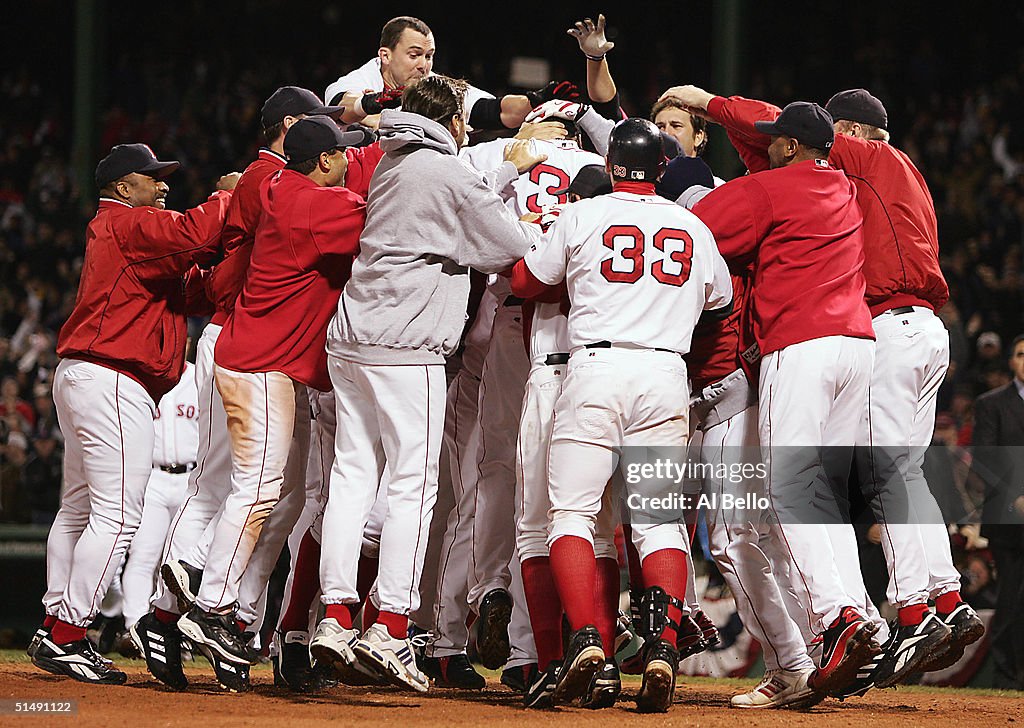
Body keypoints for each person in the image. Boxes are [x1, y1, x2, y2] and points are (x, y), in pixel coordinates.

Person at [309, 74, 545, 693]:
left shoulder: (389, 159)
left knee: (352, 477)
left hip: (352, 336)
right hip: (406, 343)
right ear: (457, 124)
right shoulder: (447, 170)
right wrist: (506, 176)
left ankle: (333, 617)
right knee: (414, 486)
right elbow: (508, 247)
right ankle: (389, 626)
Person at [658, 90, 885, 696]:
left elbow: (689, 233)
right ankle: (860, 620)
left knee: (787, 492)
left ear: (784, 145)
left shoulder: (769, 188)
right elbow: (772, 141)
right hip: (859, 348)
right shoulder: (840, 183)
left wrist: (710, 107)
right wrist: (722, 108)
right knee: (822, 496)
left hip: (802, 345)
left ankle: (836, 620)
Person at [134, 86, 356, 693]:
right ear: (291, 129)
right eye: (322, 129)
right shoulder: (273, 180)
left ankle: (203, 609)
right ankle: (194, 599)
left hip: (251, 339)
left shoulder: (272, 181)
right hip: (245, 340)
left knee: (266, 496)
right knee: (235, 488)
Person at [511, 118, 732, 712]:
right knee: (658, 524)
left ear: (611, 167)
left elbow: (527, 280)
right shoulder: (690, 222)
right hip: (665, 373)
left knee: (571, 515)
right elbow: (721, 300)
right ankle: (660, 644)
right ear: (662, 169)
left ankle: (587, 641)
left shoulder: (582, 216)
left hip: (595, 369)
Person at [30, 143, 234, 685]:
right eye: (152, 177)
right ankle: (67, 633)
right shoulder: (127, 221)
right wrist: (226, 197)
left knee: (78, 509)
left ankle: (55, 619)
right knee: (118, 515)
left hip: (85, 375)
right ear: (124, 187)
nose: (163, 185)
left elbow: (192, 287)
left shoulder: (127, 236)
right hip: (113, 378)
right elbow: (194, 232)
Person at [325, 15, 573, 131]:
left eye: (429, 56)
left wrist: (534, 100)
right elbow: (338, 107)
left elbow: (493, 111)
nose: (424, 65)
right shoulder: (361, 79)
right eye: (414, 55)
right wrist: (369, 104)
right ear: (385, 55)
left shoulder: (434, 86)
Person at [120, 361, 199, 632]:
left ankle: (180, 630)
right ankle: (134, 626)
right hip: (152, 477)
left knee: (185, 562)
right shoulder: (144, 377)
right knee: (143, 554)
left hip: (192, 478)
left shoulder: (200, 377)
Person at [971, 334, 1024, 689]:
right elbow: (985, 459)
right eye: (1021, 354)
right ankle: (1007, 676)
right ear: (1011, 361)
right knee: (1012, 597)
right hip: (1010, 521)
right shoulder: (991, 403)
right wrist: (1015, 498)